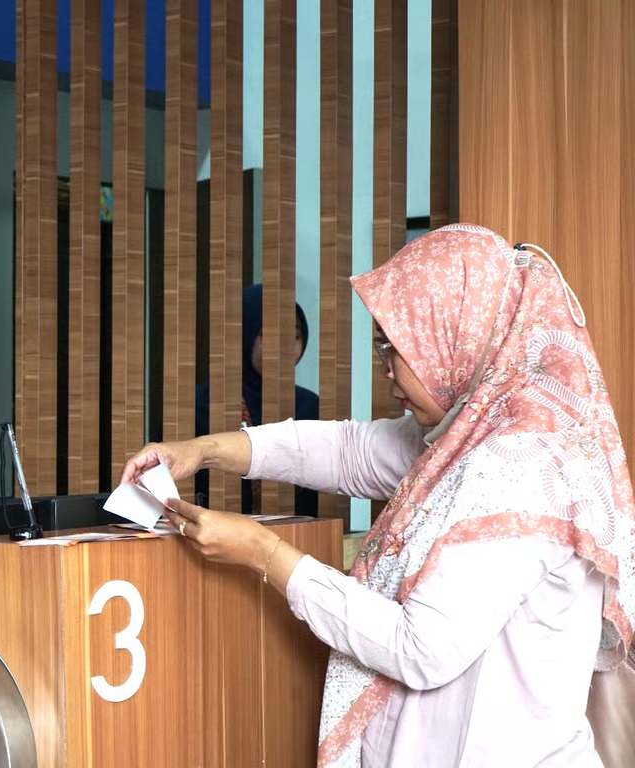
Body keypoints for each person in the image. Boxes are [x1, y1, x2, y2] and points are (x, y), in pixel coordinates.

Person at [124, 224, 634, 766]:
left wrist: (265, 553)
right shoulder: (470, 433)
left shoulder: (524, 463)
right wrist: (202, 450)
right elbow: (350, 451)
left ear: (458, 335)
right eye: (381, 344)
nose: (385, 367)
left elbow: (422, 647)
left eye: (400, 345)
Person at [196, 284, 320, 514]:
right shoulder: (202, 405)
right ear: (245, 335)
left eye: (294, 336)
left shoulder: (309, 405)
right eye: (270, 335)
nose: (284, 346)